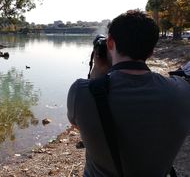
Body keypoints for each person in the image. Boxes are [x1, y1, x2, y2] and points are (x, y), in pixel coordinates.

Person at [67, 10, 190, 176]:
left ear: (110, 43)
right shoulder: (181, 91)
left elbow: (79, 126)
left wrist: (98, 72)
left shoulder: (81, 92)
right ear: (151, 50)